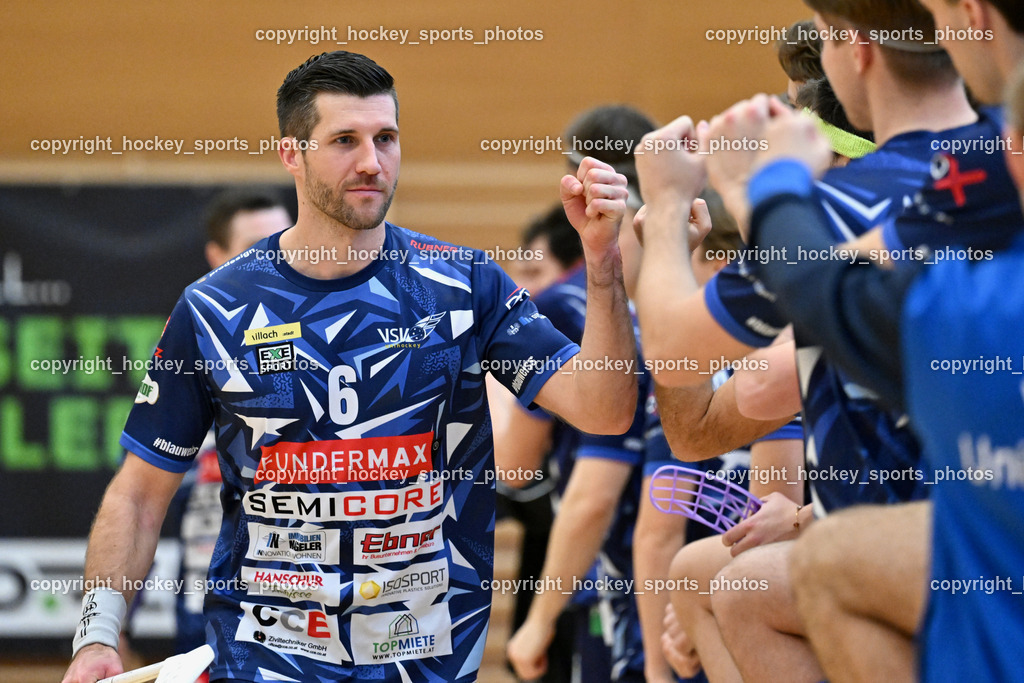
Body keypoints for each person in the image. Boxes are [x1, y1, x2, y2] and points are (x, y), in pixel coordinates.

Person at [63, 50, 638, 683]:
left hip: (424, 664)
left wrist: (603, 262)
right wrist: (97, 634)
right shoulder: (214, 307)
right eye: (345, 141)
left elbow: (605, 410)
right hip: (267, 661)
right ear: (292, 154)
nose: (372, 161)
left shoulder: (465, 285)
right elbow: (139, 494)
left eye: (385, 138)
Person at [633, 0, 1020, 679]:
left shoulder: (839, 207)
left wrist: (668, 204)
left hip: (943, 537)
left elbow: (679, 362)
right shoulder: (979, 167)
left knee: (768, 579)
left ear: (857, 49)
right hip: (955, 506)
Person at [171, 191, 292, 656]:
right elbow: (140, 501)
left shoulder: (326, 348)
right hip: (206, 621)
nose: (272, 259)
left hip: (310, 622)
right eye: (253, 248)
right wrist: (110, 623)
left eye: (283, 241)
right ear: (216, 256)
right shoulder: (188, 354)